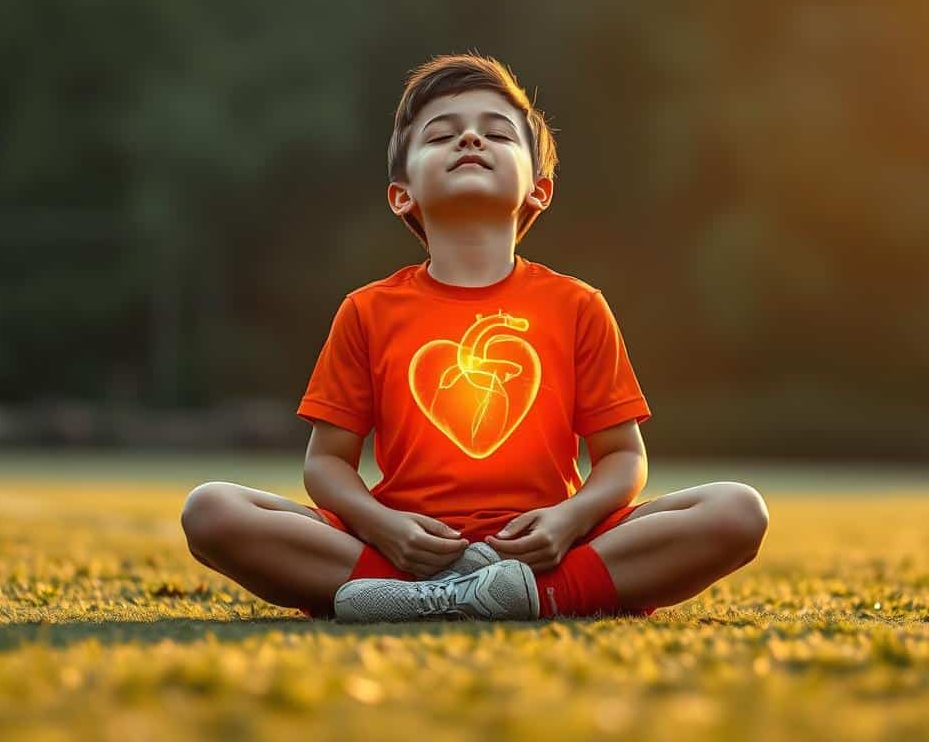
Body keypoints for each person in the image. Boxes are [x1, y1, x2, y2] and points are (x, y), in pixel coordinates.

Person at [180, 51, 769, 622]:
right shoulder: (367, 310)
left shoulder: (577, 305)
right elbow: (327, 467)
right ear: (402, 194)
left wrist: (566, 521)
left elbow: (622, 459)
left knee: (736, 511)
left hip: (544, 554)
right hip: (402, 552)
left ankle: (533, 595)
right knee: (212, 510)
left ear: (539, 188)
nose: (470, 140)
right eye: (441, 135)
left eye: (497, 132)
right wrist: (386, 528)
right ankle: (419, 592)